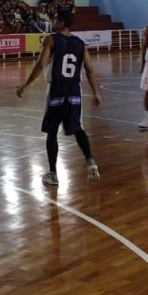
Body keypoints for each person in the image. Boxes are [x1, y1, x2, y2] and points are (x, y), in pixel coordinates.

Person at [16, 11, 101, 186]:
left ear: (62, 23)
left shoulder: (51, 39)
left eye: (56, 20)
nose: (53, 22)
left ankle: (53, 173)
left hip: (56, 90)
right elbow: (90, 70)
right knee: (78, 128)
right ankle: (90, 160)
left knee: (52, 131)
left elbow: (40, 64)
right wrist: (96, 93)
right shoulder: (80, 43)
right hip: (74, 91)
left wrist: (25, 85)